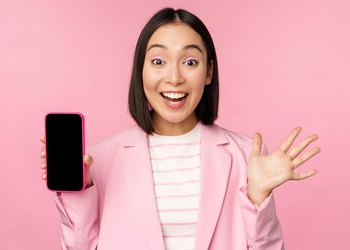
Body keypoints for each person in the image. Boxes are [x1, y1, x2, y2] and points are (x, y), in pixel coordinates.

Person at [39, 7, 320, 250]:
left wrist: (258, 198)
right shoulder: (99, 161)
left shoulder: (246, 155)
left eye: (190, 62)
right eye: (158, 61)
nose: (174, 78)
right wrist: (79, 188)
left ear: (209, 72)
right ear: (141, 71)